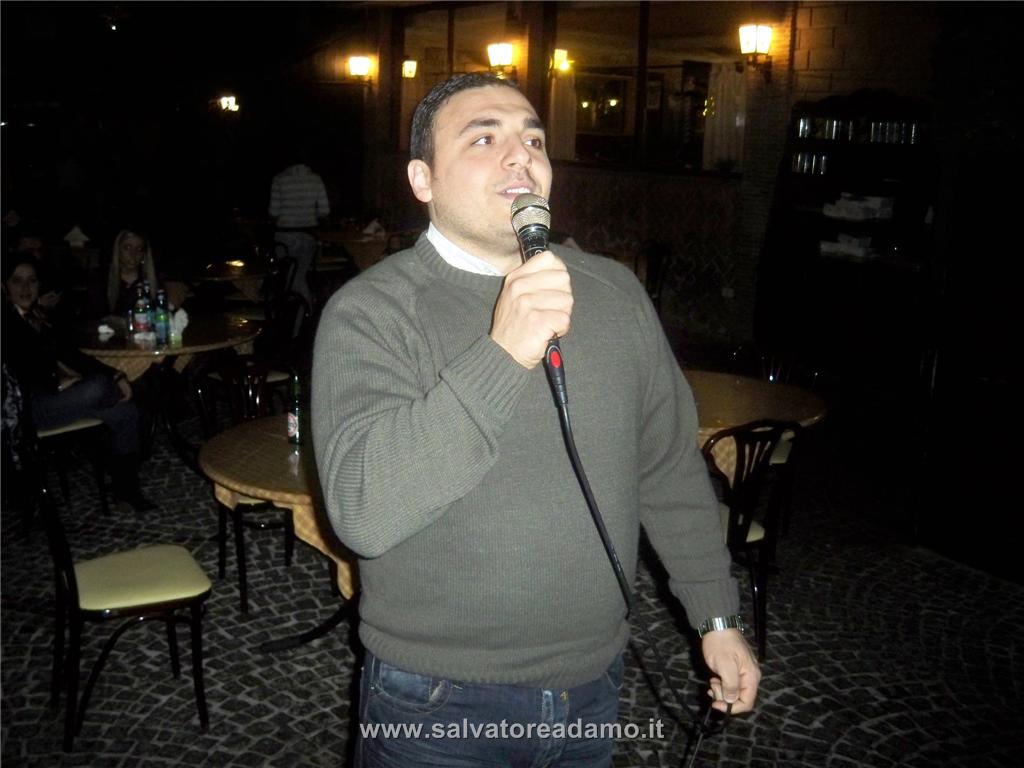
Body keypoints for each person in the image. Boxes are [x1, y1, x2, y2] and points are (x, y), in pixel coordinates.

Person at [311, 73, 759, 766]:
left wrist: (718, 616)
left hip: (594, 683)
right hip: (436, 700)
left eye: (534, 140)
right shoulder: (372, 312)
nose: (520, 155)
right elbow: (363, 512)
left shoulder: (614, 291)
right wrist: (504, 352)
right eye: (483, 139)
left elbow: (668, 469)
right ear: (423, 180)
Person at [2, 256, 155, 511]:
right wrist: (57, 383)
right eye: (17, 281)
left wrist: (115, 374)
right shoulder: (6, 321)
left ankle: (126, 490)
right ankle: (110, 401)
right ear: (5, 286)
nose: (25, 288)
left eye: (32, 281)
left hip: (59, 399)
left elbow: (73, 355)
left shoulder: (40, 317)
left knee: (126, 411)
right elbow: (16, 369)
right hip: (26, 409)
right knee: (97, 387)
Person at [268, 149, 330, 308]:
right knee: (298, 275)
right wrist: (308, 213)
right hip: (308, 234)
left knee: (289, 275)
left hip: (285, 235)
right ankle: (303, 311)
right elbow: (324, 211)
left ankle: (299, 310)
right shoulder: (315, 179)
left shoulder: (279, 179)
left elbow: (274, 212)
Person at [87, 228, 185, 320]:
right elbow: (94, 317)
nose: (133, 254)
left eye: (139, 249)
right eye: (127, 248)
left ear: (144, 255)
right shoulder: (101, 279)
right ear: (118, 250)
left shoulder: (153, 281)